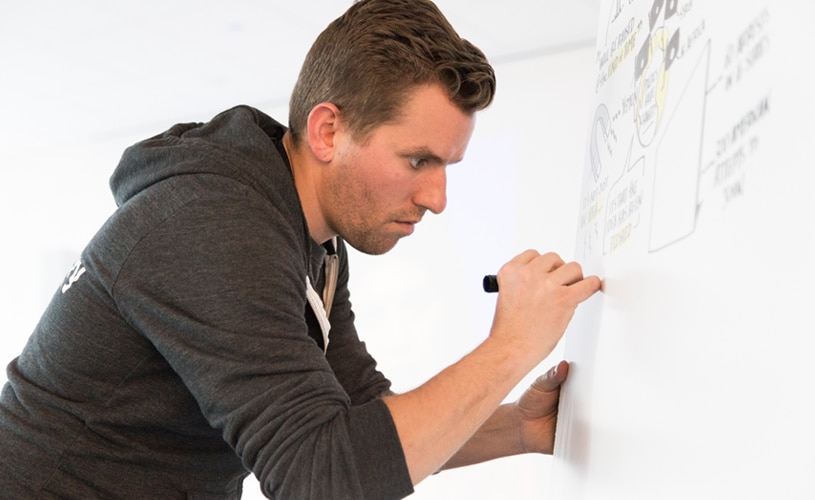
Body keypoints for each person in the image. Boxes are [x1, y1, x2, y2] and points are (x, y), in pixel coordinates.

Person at [0, 0, 601, 498]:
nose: (437, 197)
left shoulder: (315, 243)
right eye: (418, 160)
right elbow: (321, 477)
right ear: (328, 131)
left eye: (446, 165)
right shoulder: (211, 225)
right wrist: (512, 346)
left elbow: (362, 417)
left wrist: (518, 428)